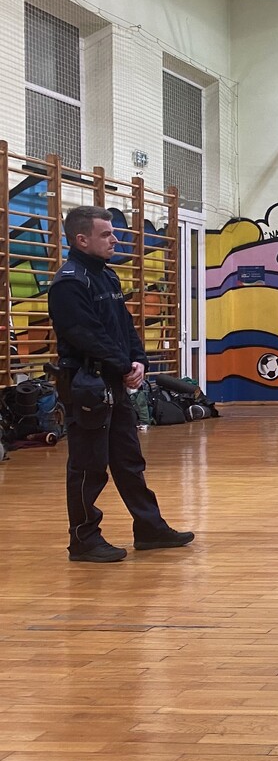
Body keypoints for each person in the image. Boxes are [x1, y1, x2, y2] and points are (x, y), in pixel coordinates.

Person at [47, 205, 194, 563]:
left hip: (113, 383)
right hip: (87, 386)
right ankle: (83, 540)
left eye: (113, 233)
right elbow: (86, 334)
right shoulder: (69, 283)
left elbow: (124, 326)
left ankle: (150, 529)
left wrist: (139, 360)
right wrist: (123, 365)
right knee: (88, 466)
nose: (115, 239)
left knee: (129, 461)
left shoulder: (107, 276)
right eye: (106, 234)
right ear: (82, 240)